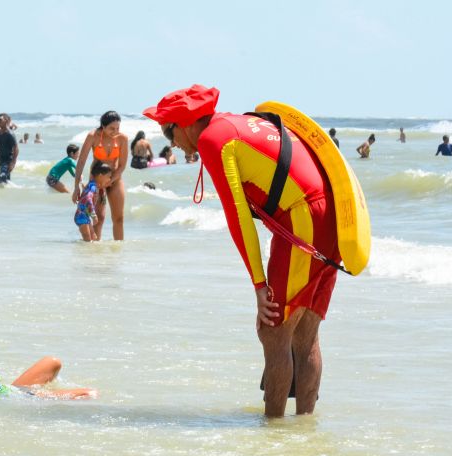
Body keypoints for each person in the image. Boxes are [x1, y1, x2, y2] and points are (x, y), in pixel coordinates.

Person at [143, 84, 346, 417]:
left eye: (169, 131)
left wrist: (259, 285)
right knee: (305, 334)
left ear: (185, 122)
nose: (172, 142)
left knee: (274, 330)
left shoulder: (212, 140)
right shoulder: (235, 124)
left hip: (302, 219)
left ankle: (273, 430)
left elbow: (238, 218)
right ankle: (304, 429)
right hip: (333, 218)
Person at [73, 111, 129, 241]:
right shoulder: (93, 136)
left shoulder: (123, 139)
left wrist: (111, 180)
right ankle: (95, 253)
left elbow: (122, 166)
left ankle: (118, 252)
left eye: (118, 128)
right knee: (98, 217)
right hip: (96, 181)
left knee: (119, 218)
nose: (115, 131)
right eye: (111, 128)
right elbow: (81, 162)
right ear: (103, 126)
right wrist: (76, 187)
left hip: (114, 179)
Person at [75, 162, 112, 241]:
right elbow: (88, 198)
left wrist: (82, 184)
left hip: (84, 216)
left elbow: (86, 193)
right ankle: (82, 253)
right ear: (101, 176)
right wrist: (94, 215)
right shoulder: (93, 187)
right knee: (88, 241)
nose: (109, 179)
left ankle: (86, 252)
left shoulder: (92, 185)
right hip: (81, 217)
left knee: (93, 237)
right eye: (108, 177)